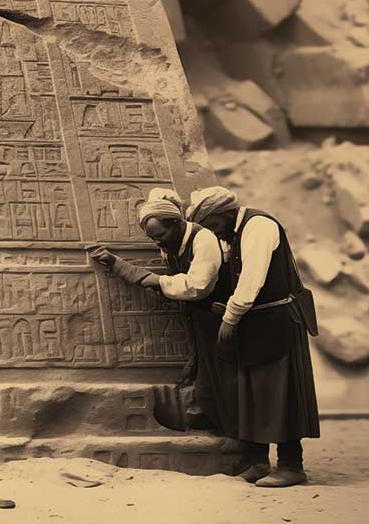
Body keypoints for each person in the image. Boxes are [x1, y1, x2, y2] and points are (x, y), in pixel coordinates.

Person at [187, 185, 319, 488]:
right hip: (258, 324)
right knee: (252, 393)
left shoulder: (258, 226)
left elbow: (252, 280)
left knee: (282, 395)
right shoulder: (234, 233)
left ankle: (291, 465)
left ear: (223, 213)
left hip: (279, 323)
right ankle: (258, 461)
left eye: (211, 224)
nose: (212, 232)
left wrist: (230, 318)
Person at [89, 188, 237, 439]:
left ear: (177, 223)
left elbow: (197, 285)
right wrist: (118, 264)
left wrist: (154, 280)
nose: (158, 242)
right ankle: (216, 429)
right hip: (198, 318)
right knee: (204, 376)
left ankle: (236, 439)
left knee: (222, 379)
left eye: (160, 235)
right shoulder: (170, 244)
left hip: (218, 318)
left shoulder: (204, 239)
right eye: (153, 238)